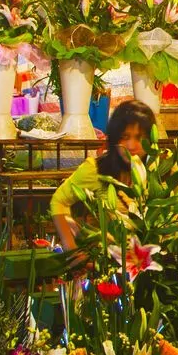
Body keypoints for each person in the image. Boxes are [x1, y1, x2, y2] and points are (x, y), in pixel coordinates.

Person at [51, 100, 155, 254]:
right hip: (109, 264)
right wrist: (72, 250)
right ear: (113, 138)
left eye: (140, 138)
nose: (132, 146)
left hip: (154, 264)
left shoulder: (160, 171)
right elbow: (59, 200)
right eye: (125, 137)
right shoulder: (96, 169)